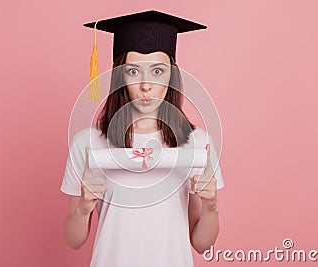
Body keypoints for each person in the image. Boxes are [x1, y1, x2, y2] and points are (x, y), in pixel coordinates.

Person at [60, 10, 224, 267]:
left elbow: (202, 243)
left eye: (158, 71)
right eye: (133, 71)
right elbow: (73, 239)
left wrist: (211, 206)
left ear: (172, 75)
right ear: (119, 76)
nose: (146, 84)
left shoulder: (196, 144)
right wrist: (82, 207)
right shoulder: (88, 144)